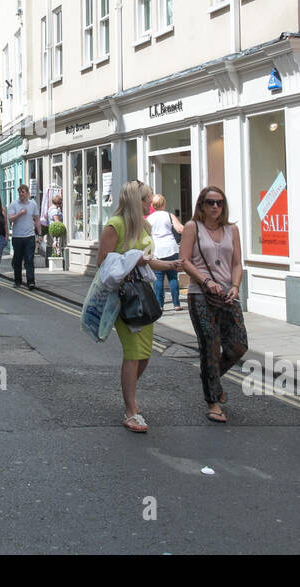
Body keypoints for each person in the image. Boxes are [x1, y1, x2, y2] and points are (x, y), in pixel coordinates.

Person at [99, 180, 182, 433]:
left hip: (144, 295)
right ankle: (130, 410)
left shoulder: (144, 225)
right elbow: (103, 263)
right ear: (137, 201)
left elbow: (149, 261)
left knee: (145, 354)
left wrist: (170, 265)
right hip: (124, 297)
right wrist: (133, 261)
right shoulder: (115, 225)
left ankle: (129, 394)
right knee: (134, 351)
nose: (150, 202)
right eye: (146, 199)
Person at [179, 186, 247, 423]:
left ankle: (212, 380)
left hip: (228, 295)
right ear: (202, 205)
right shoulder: (192, 228)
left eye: (219, 202)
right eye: (210, 202)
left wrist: (236, 286)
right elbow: (184, 260)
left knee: (239, 346)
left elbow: (237, 263)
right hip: (200, 295)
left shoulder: (232, 229)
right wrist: (206, 281)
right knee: (210, 345)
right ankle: (213, 402)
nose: (215, 207)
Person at [147, 194, 185, 313]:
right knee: (173, 276)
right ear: (164, 204)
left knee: (158, 278)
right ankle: (176, 304)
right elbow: (180, 229)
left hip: (157, 250)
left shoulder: (149, 219)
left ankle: (159, 305)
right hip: (171, 248)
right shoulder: (169, 215)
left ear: (152, 205)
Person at [7, 184, 40, 290]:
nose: (21, 194)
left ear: (28, 193)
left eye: (23, 192)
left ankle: (31, 282)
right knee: (17, 260)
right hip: (17, 237)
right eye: (20, 192)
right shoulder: (14, 204)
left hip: (30, 236)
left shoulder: (33, 204)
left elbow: (37, 220)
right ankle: (17, 281)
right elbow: (11, 219)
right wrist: (20, 214)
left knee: (29, 259)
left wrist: (39, 234)